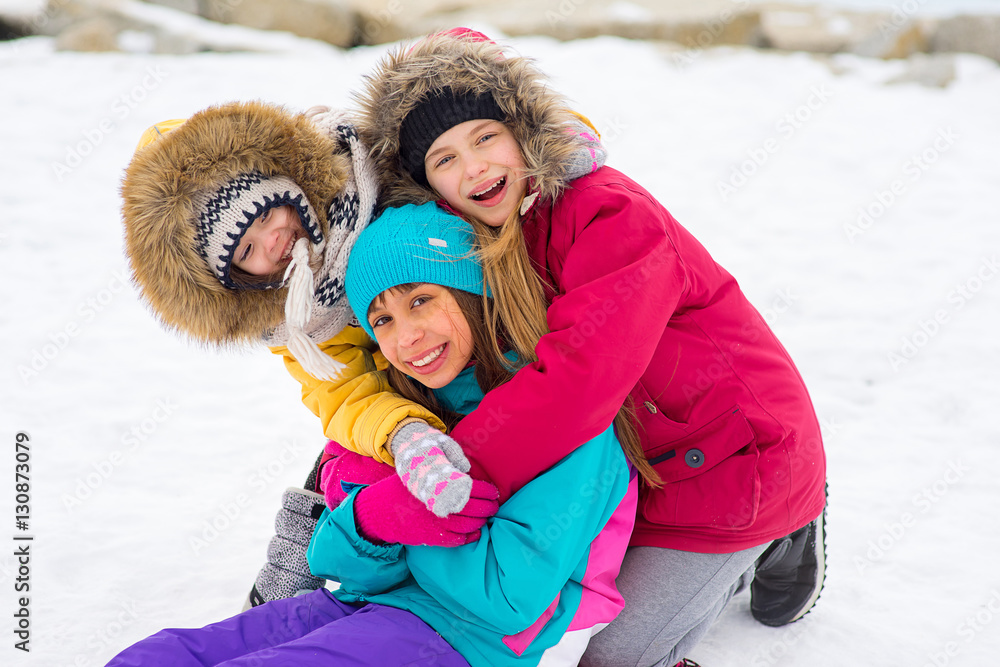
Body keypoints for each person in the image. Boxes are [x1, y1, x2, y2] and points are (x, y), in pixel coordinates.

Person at [347, 29, 828, 666]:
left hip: (736, 463)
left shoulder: (608, 214)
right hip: (638, 473)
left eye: (485, 137)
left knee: (611, 659)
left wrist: (447, 472)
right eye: (443, 158)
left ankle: (783, 526)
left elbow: (576, 383)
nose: (474, 169)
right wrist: (386, 461)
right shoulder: (481, 243)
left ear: (524, 131)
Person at [106, 202, 642, 667]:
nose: (406, 336)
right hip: (360, 605)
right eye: (380, 320)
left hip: (465, 644)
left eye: (420, 299)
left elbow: (506, 600)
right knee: (167, 655)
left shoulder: (568, 420)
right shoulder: (409, 418)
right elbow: (332, 562)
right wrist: (371, 519)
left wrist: (401, 536)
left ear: (471, 289)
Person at [121, 99, 608, 608]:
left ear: (284, 180)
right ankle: (303, 556)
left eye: (265, 213)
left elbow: (461, 99)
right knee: (349, 448)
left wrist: (549, 149)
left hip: (491, 322)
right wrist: (404, 432)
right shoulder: (291, 314)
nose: (273, 242)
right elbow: (345, 393)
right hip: (413, 380)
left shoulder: (369, 169)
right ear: (236, 280)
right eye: (244, 252)